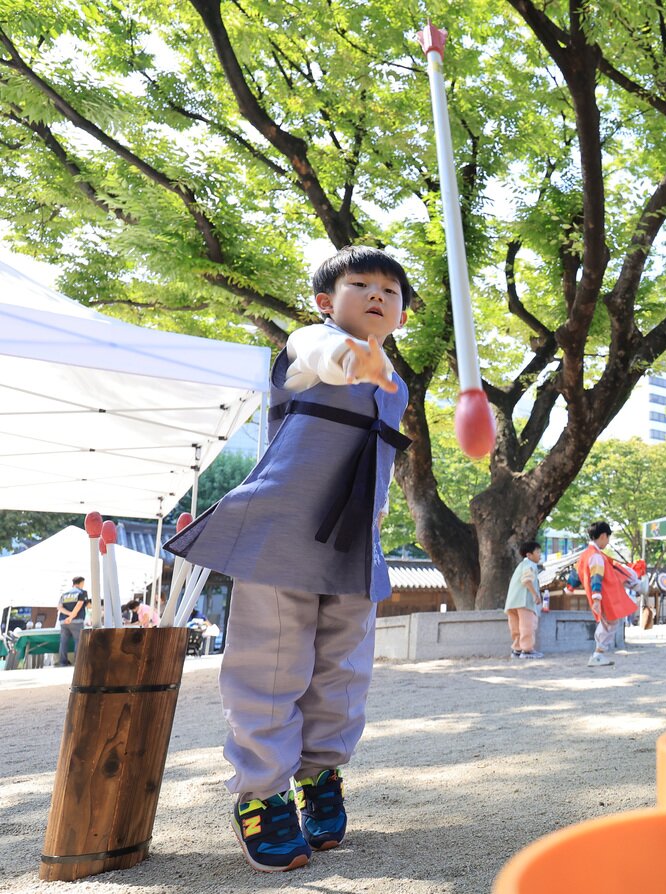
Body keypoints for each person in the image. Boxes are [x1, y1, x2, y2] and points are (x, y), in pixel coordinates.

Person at [164, 246, 414, 872]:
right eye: (362, 284)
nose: (378, 294)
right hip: (282, 537)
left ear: (402, 316)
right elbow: (321, 359)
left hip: (356, 546)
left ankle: (320, 776)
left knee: (343, 673)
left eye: (391, 289)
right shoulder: (310, 346)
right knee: (271, 669)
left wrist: (376, 366)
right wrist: (349, 356)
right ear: (329, 302)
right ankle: (263, 793)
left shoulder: (398, 384)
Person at [575, 522, 638, 667]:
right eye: (608, 537)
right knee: (610, 622)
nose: (608, 541)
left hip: (598, 595)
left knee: (608, 622)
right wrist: (597, 597)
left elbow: (576, 573)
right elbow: (596, 576)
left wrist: (570, 587)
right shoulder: (596, 556)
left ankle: (599, 653)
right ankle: (598, 654)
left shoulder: (585, 554)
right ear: (603, 536)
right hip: (603, 595)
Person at [505, 541, 545, 659]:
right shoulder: (530, 565)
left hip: (512, 602)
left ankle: (517, 649)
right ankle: (527, 650)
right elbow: (527, 580)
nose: (540, 554)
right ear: (529, 555)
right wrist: (535, 595)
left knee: (515, 627)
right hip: (524, 601)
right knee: (527, 626)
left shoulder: (520, 565)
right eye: (537, 552)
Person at [56, 576, 89, 667]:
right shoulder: (82, 592)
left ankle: (63, 662)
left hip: (63, 621)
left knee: (63, 642)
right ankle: (78, 662)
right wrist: (71, 616)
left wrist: (68, 615)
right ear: (81, 583)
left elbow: (59, 607)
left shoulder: (64, 593)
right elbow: (80, 604)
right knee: (78, 641)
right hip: (77, 621)